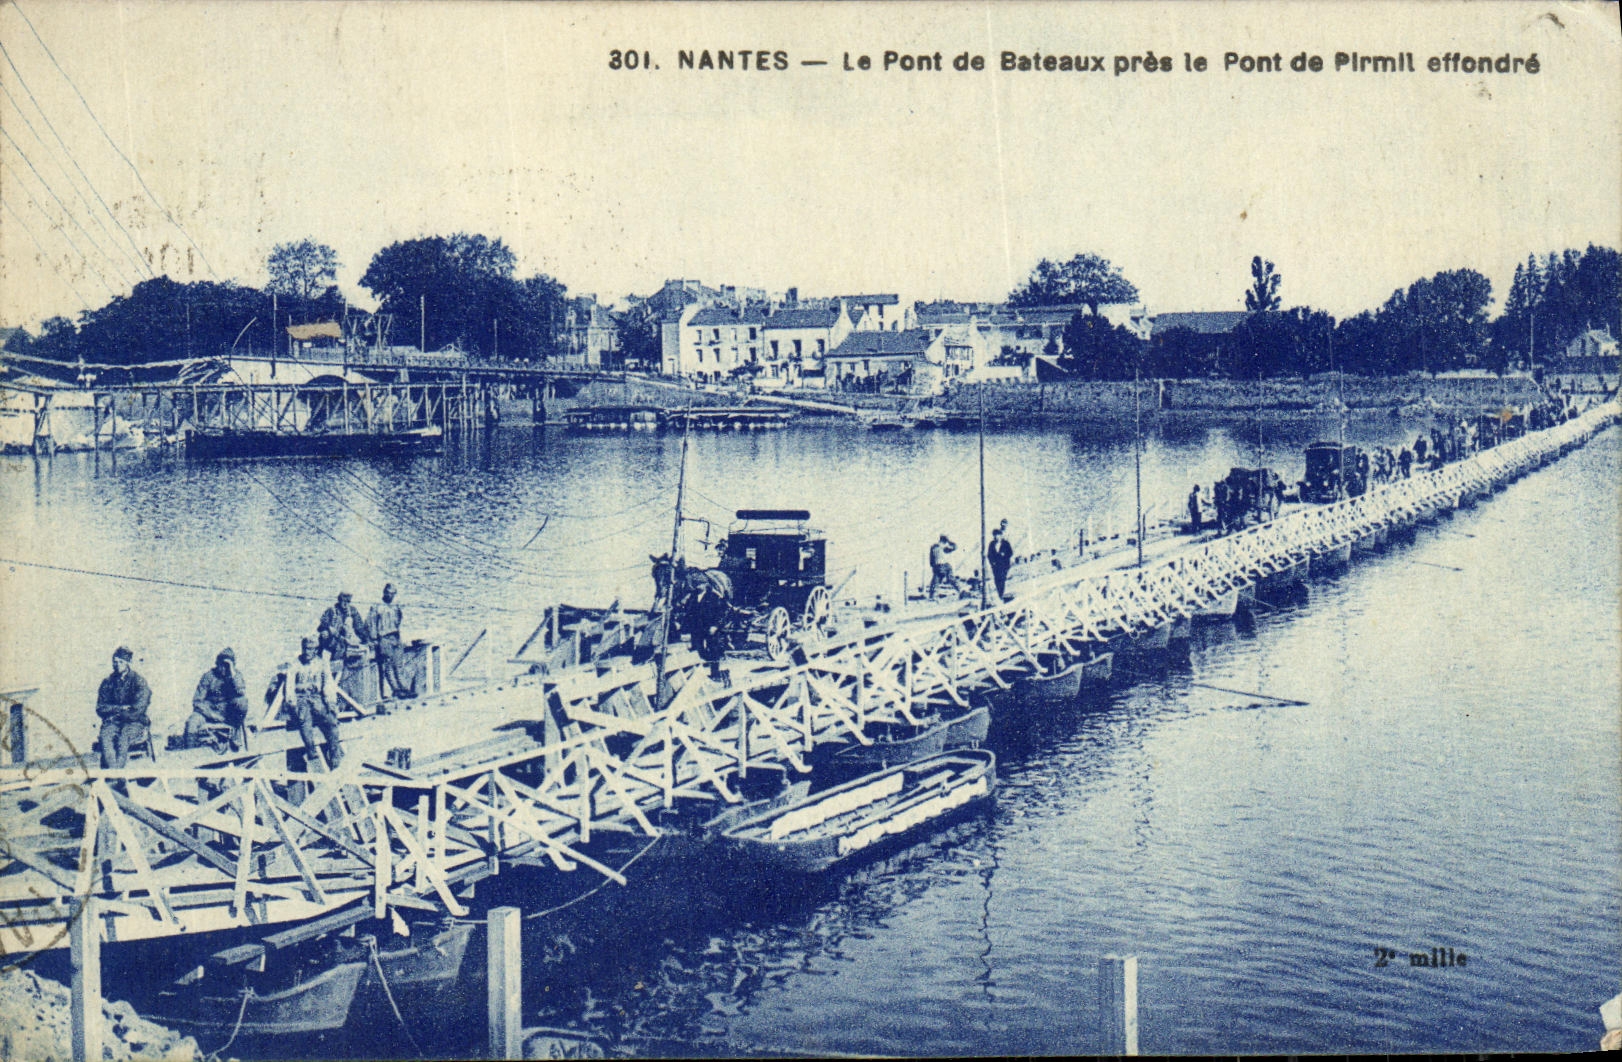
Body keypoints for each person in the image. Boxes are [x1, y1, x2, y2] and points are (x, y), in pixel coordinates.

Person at [276, 635, 342, 769]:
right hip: (301, 700)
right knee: (305, 723)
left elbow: (328, 684)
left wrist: (330, 702)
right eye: (305, 648)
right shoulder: (295, 664)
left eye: (311, 649)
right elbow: (289, 687)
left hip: (316, 699)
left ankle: (335, 755)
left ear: (315, 650)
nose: (307, 652)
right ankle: (312, 755)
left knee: (331, 722)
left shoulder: (321, 664)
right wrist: (292, 703)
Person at [96, 646, 151, 769]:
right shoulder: (108, 682)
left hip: (134, 722)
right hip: (113, 722)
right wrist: (120, 709)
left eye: (121, 662)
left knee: (123, 738)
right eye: (114, 662)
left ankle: (116, 774)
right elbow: (100, 707)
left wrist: (118, 713)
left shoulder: (138, 681)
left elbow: (139, 708)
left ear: (128, 663)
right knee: (105, 737)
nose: (117, 665)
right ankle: (114, 773)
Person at [184, 648, 250, 750]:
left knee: (242, 702)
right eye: (221, 664)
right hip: (209, 712)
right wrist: (212, 715)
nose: (224, 668)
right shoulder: (209, 676)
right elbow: (197, 701)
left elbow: (241, 692)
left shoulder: (236, 676)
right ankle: (190, 753)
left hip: (227, 714)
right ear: (217, 663)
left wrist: (231, 671)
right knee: (192, 722)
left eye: (227, 665)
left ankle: (235, 734)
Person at [319, 591, 370, 704]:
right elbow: (322, 625)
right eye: (343, 601)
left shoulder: (352, 611)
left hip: (344, 647)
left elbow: (359, 627)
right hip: (330, 647)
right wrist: (327, 629)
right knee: (327, 672)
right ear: (339, 600)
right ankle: (330, 698)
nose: (345, 604)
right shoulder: (332, 611)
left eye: (348, 601)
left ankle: (349, 697)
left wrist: (366, 640)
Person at [367, 584, 409, 701]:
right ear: (384, 592)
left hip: (395, 636)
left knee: (399, 664)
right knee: (388, 664)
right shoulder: (377, 607)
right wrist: (374, 639)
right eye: (389, 593)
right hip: (384, 637)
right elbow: (371, 624)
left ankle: (404, 688)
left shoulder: (396, 606)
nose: (390, 595)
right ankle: (395, 689)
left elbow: (399, 620)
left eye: (393, 593)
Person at [987, 526, 1014, 601]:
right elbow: (989, 555)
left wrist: (1004, 554)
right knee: (997, 580)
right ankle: (1000, 594)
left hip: (1004, 564)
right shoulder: (991, 544)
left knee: (1002, 579)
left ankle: (1001, 594)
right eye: (994, 535)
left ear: (1001, 535)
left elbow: (1011, 552)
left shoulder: (1006, 543)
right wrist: (992, 562)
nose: (996, 537)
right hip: (995, 566)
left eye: (997, 535)